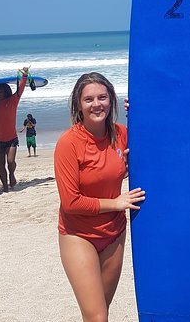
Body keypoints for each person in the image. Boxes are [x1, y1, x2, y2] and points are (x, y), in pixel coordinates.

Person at [54, 72, 145, 321]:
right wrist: (116, 203)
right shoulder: (68, 143)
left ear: (112, 100)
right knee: (97, 317)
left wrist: (141, 109)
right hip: (78, 235)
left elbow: (156, 140)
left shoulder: (121, 134)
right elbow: (71, 202)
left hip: (113, 234)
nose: (97, 104)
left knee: (99, 311)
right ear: (78, 105)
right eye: (89, 99)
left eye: (103, 97)